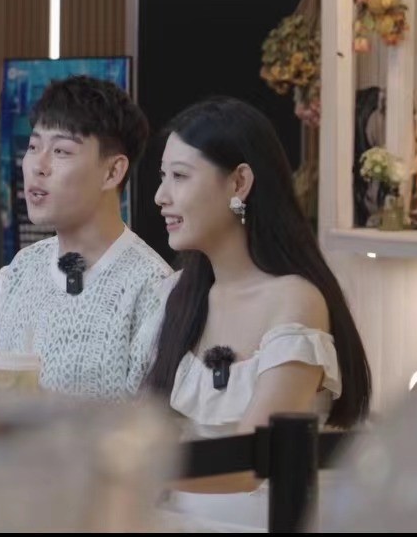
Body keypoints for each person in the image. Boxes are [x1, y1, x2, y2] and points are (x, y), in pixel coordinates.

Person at [146, 97, 372, 531]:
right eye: (162, 176)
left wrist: (126, 466)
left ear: (239, 183)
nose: (161, 196)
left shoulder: (296, 301)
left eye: (180, 176)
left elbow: (248, 462)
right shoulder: (178, 294)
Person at [0, 75, 173, 401]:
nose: (38, 166)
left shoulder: (152, 290)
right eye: (33, 147)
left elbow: (150, 423)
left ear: (112, 172)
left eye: (61, 150)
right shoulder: (17, 273)